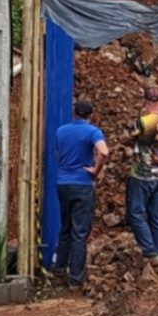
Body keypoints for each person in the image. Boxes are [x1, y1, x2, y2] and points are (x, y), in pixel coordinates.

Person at [52, 100, 109, 289]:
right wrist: (95, 170)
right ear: (90, 115)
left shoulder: (61, 131)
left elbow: (58, 155)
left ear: (74, 112)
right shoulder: (93, 132)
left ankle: (59, 271)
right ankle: (75, 278)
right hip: (82, 185)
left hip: (63, 184)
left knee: (65, 228)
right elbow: (104, 151)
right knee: (80, 233)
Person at [122, 86, 158, 269]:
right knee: (157, 215)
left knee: (135, 213)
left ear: (146, 101)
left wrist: (129, 135)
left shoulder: (143, 122)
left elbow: (125, 138)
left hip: (142, 173)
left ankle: (150, 251)